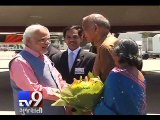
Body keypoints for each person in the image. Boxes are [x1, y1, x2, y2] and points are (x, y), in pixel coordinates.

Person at [9, 24, 67, 115]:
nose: (47, 42)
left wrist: (70, 89)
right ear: (28, 41)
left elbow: (58, 79)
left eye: (48, 39)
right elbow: (32, 90)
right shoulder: (20, 61)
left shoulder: (44, 57)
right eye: (42, 40)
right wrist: (62, 94)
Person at [95, 39, 146, 115]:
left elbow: (108, 104)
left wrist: (94, 107)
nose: (112, 54)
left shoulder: (116, 74)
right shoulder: (140, 74)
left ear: (119, 54)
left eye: (113, 51)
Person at [82, 13, 118, 82]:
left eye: (85, 29)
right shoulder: (112, 41)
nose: (83, 33)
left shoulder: (105, 47)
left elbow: (108, 82)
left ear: (96, 28)